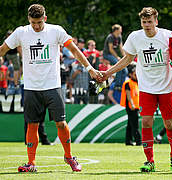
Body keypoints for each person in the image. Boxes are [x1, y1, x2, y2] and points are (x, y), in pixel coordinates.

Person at [0, 4, 102, 172]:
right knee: (32, 125)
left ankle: (69, 157)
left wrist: (90, 68)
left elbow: (75, 51)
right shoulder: (21, 32)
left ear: (45, 18)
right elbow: (3, 50)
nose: (36, 26)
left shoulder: (56, 31)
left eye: (39, 22)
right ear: (28, 20)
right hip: (31, 87)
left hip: (53, 86)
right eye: (33, 22)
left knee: (61, 123)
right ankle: (31, 163)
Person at [101, 7, 172, 172]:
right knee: (145, 121)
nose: (147, 25)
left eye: (150, 22)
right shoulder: (135, 37)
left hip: (167, 87)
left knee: (169, 123)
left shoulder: (168, 35)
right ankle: (149, 160)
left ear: (156, 21)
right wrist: (108, 72)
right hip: (146, 87)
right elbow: (127, 59)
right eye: (144, 22)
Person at [120, 63, 141, 146]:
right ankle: (138, 141)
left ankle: (128, 141)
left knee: (130, 124)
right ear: (130, 74)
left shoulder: (135, 83)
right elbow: (128, 95)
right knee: (135, 125)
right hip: (131, 107)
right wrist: (132, 104)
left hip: (135, 106)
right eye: (135, 74)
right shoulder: (128, 83)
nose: (136, 76)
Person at [103, 24, 128, 92]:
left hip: (114, 55)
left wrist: (125, 57)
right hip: (107, 54)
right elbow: (111, 49)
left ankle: (121, 85)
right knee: (118, 65)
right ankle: (117, 84)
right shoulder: (110, 37)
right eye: (120, 30)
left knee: (125, 70)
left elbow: (121, 48)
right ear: (116, 30)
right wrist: (117, 57)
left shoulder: (119, 37)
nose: (121, 31)